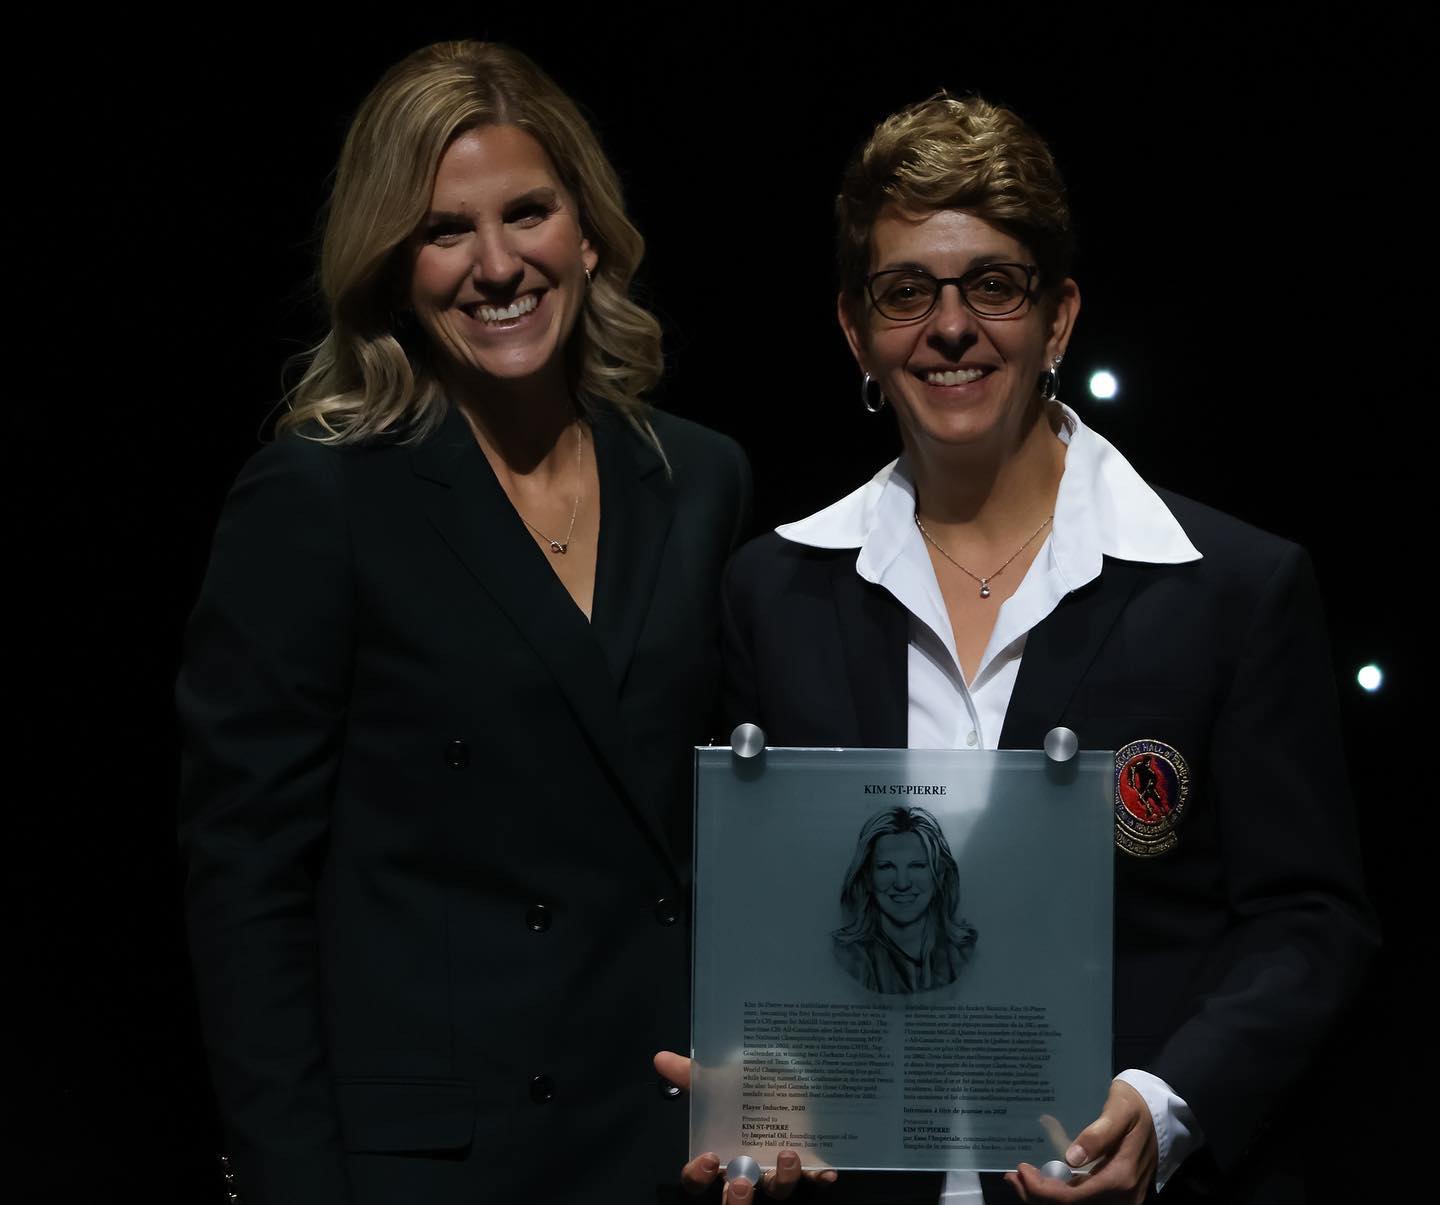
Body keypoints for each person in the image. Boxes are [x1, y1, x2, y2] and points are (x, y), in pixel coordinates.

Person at [677, 93, 1376, 1203]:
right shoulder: (774, 589)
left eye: (993, 285)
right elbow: (773, 918)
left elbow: (1307, 919)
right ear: (856, 331)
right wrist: (759, 1080)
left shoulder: (1231, 587)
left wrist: (1169, 1100)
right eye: (907, 290)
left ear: (1057, 318)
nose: (950, 328)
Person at [177, 41, 750, 1205]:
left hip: (665, 1147)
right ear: (394, 267)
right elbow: (245, 880)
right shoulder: (319, 494)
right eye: (446, 231)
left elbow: (741, 834)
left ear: (587, 232)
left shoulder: (699, 477)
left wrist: (771, 1099)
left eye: (527, 213)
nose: (497, 265)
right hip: (431, 1166)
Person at [832, 805, 977, 995]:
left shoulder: (966, 953)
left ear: (940, 875)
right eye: (886, 867)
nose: (902, 884)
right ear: (867, 877)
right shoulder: (846, 956)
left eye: (917, 866)